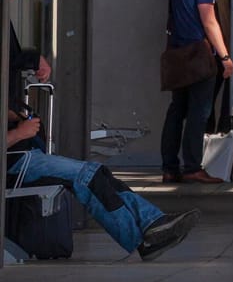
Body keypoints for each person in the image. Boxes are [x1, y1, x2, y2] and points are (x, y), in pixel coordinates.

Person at [7, 110, 198, 259]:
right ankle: (143, 240)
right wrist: (18, 133)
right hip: (16, 162)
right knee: (87, 177)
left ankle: (152, 222)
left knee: (98, 173)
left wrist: (14, 117)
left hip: (25, 156)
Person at [162, 0, 233, 185]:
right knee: (198, 112)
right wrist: (224, 56)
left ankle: (170, 167)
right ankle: (192, 166)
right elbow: (209, 21)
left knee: (176, 110)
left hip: (177, 54)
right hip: (199, 56)